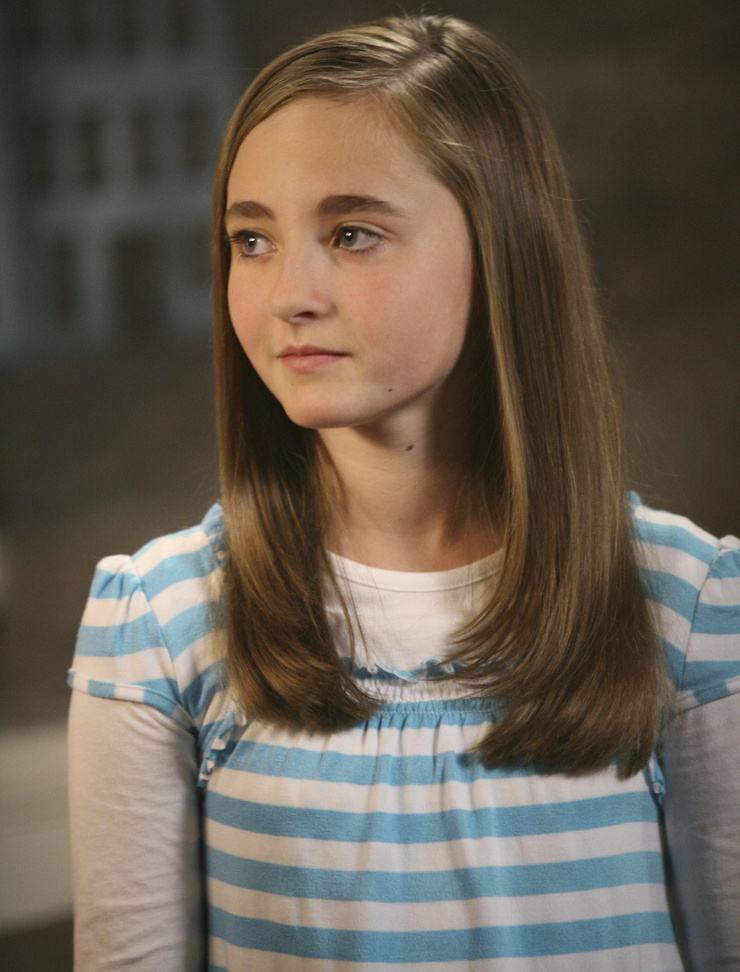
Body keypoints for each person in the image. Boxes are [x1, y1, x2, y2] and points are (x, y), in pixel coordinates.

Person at [67, 14, 740, 971]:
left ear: (503, 247)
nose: (289, 293)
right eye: (251, 239)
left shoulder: (689, 607)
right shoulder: (159, 627)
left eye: (352, 234)